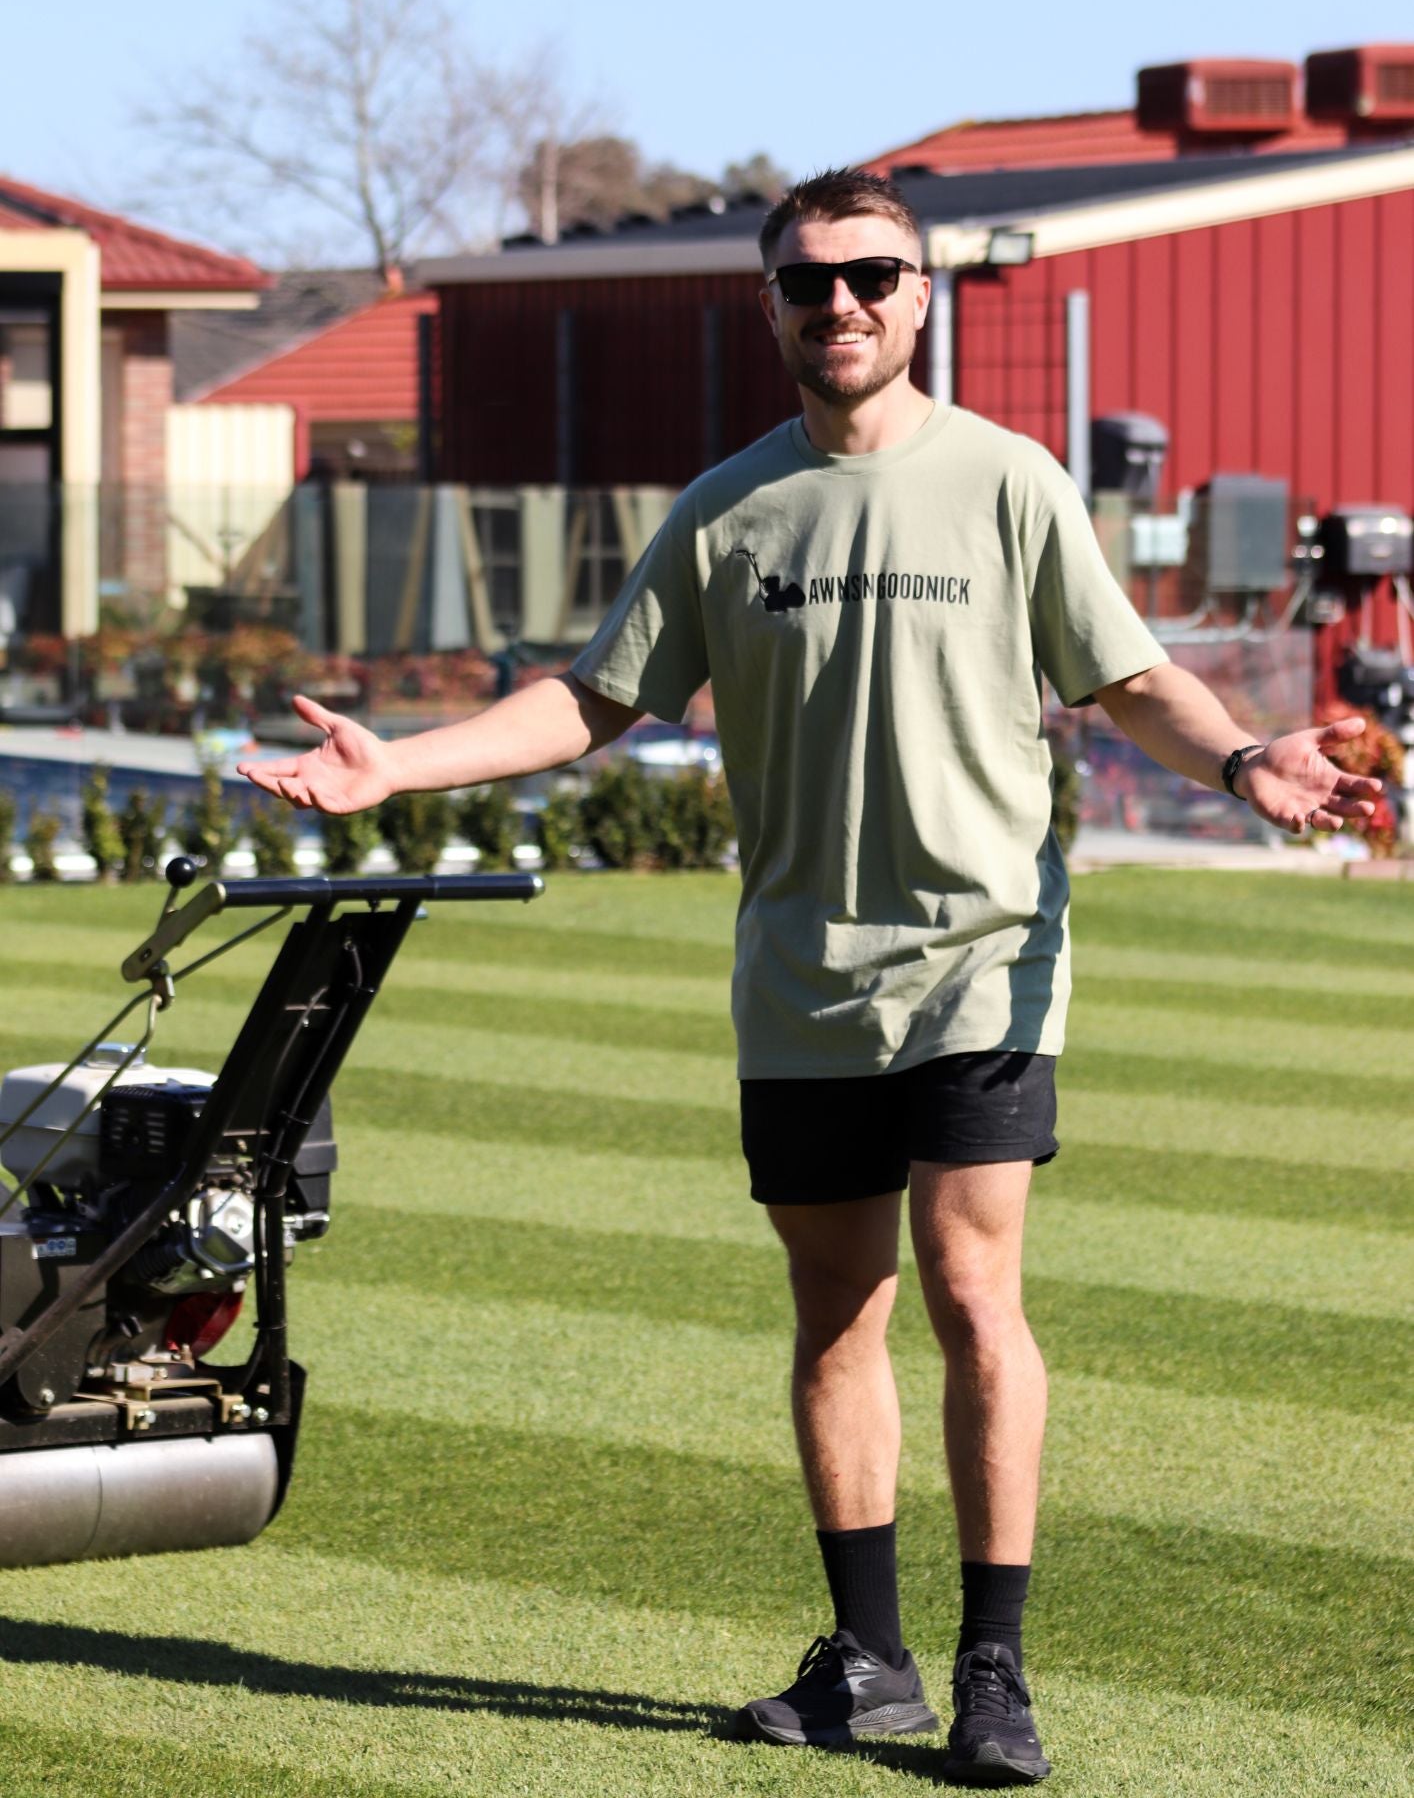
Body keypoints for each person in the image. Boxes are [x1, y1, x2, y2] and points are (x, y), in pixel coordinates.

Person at [242, 168, 1380, 1786]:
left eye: (868, 274)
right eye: (805, 281)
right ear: (767, 304)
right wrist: (395, 767)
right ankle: (872, 1662)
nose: (836, 302)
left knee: (973, 1290)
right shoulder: (726, 508)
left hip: (983, 955)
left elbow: (1128, 681)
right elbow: (590, 703)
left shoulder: (1008, 482)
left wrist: (1246, 754)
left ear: (917, 296)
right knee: (835, 1307)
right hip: (801, 977)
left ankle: (995, 1668)